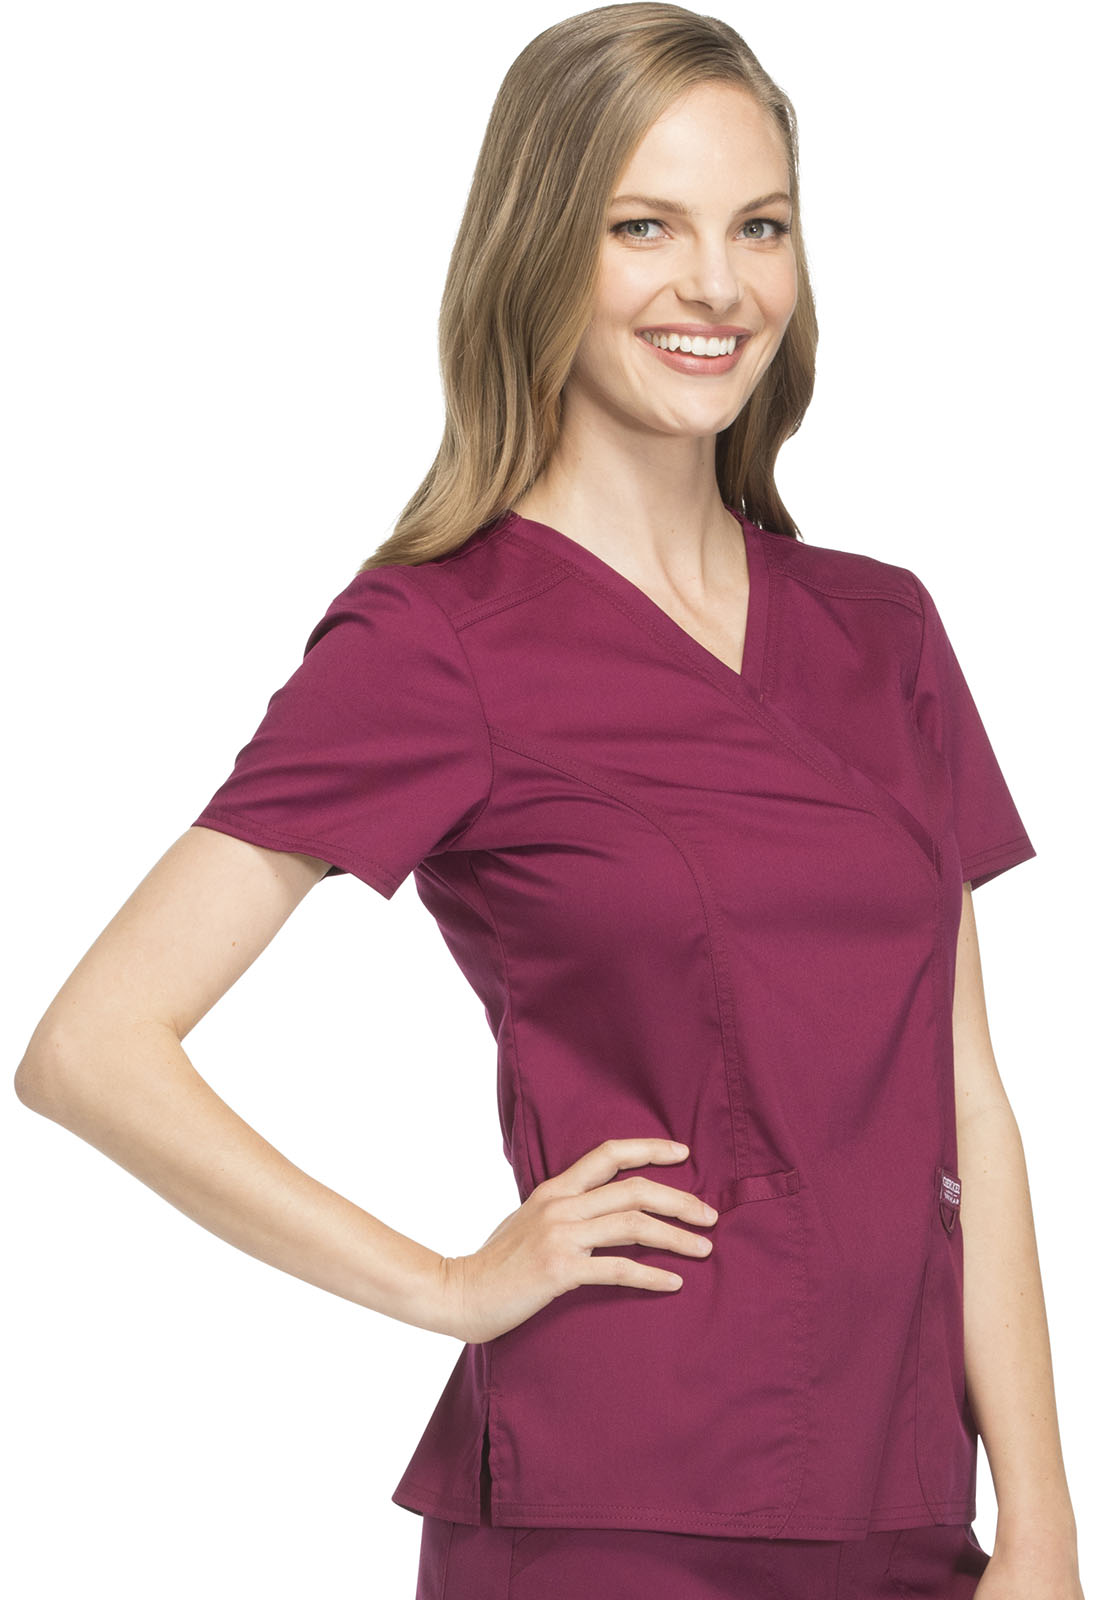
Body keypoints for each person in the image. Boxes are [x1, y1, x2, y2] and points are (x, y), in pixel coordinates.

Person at [13, 4, 1084, 1598]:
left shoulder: (885, 630)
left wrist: (1044, 1521)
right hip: (616, 1509)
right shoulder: (439, 638)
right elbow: (93, 1048)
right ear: (539, 249)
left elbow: (965, 1096)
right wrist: (446, 1284)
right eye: (643, 227)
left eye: (759, 226)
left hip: (907, 1501)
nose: (716, 285)